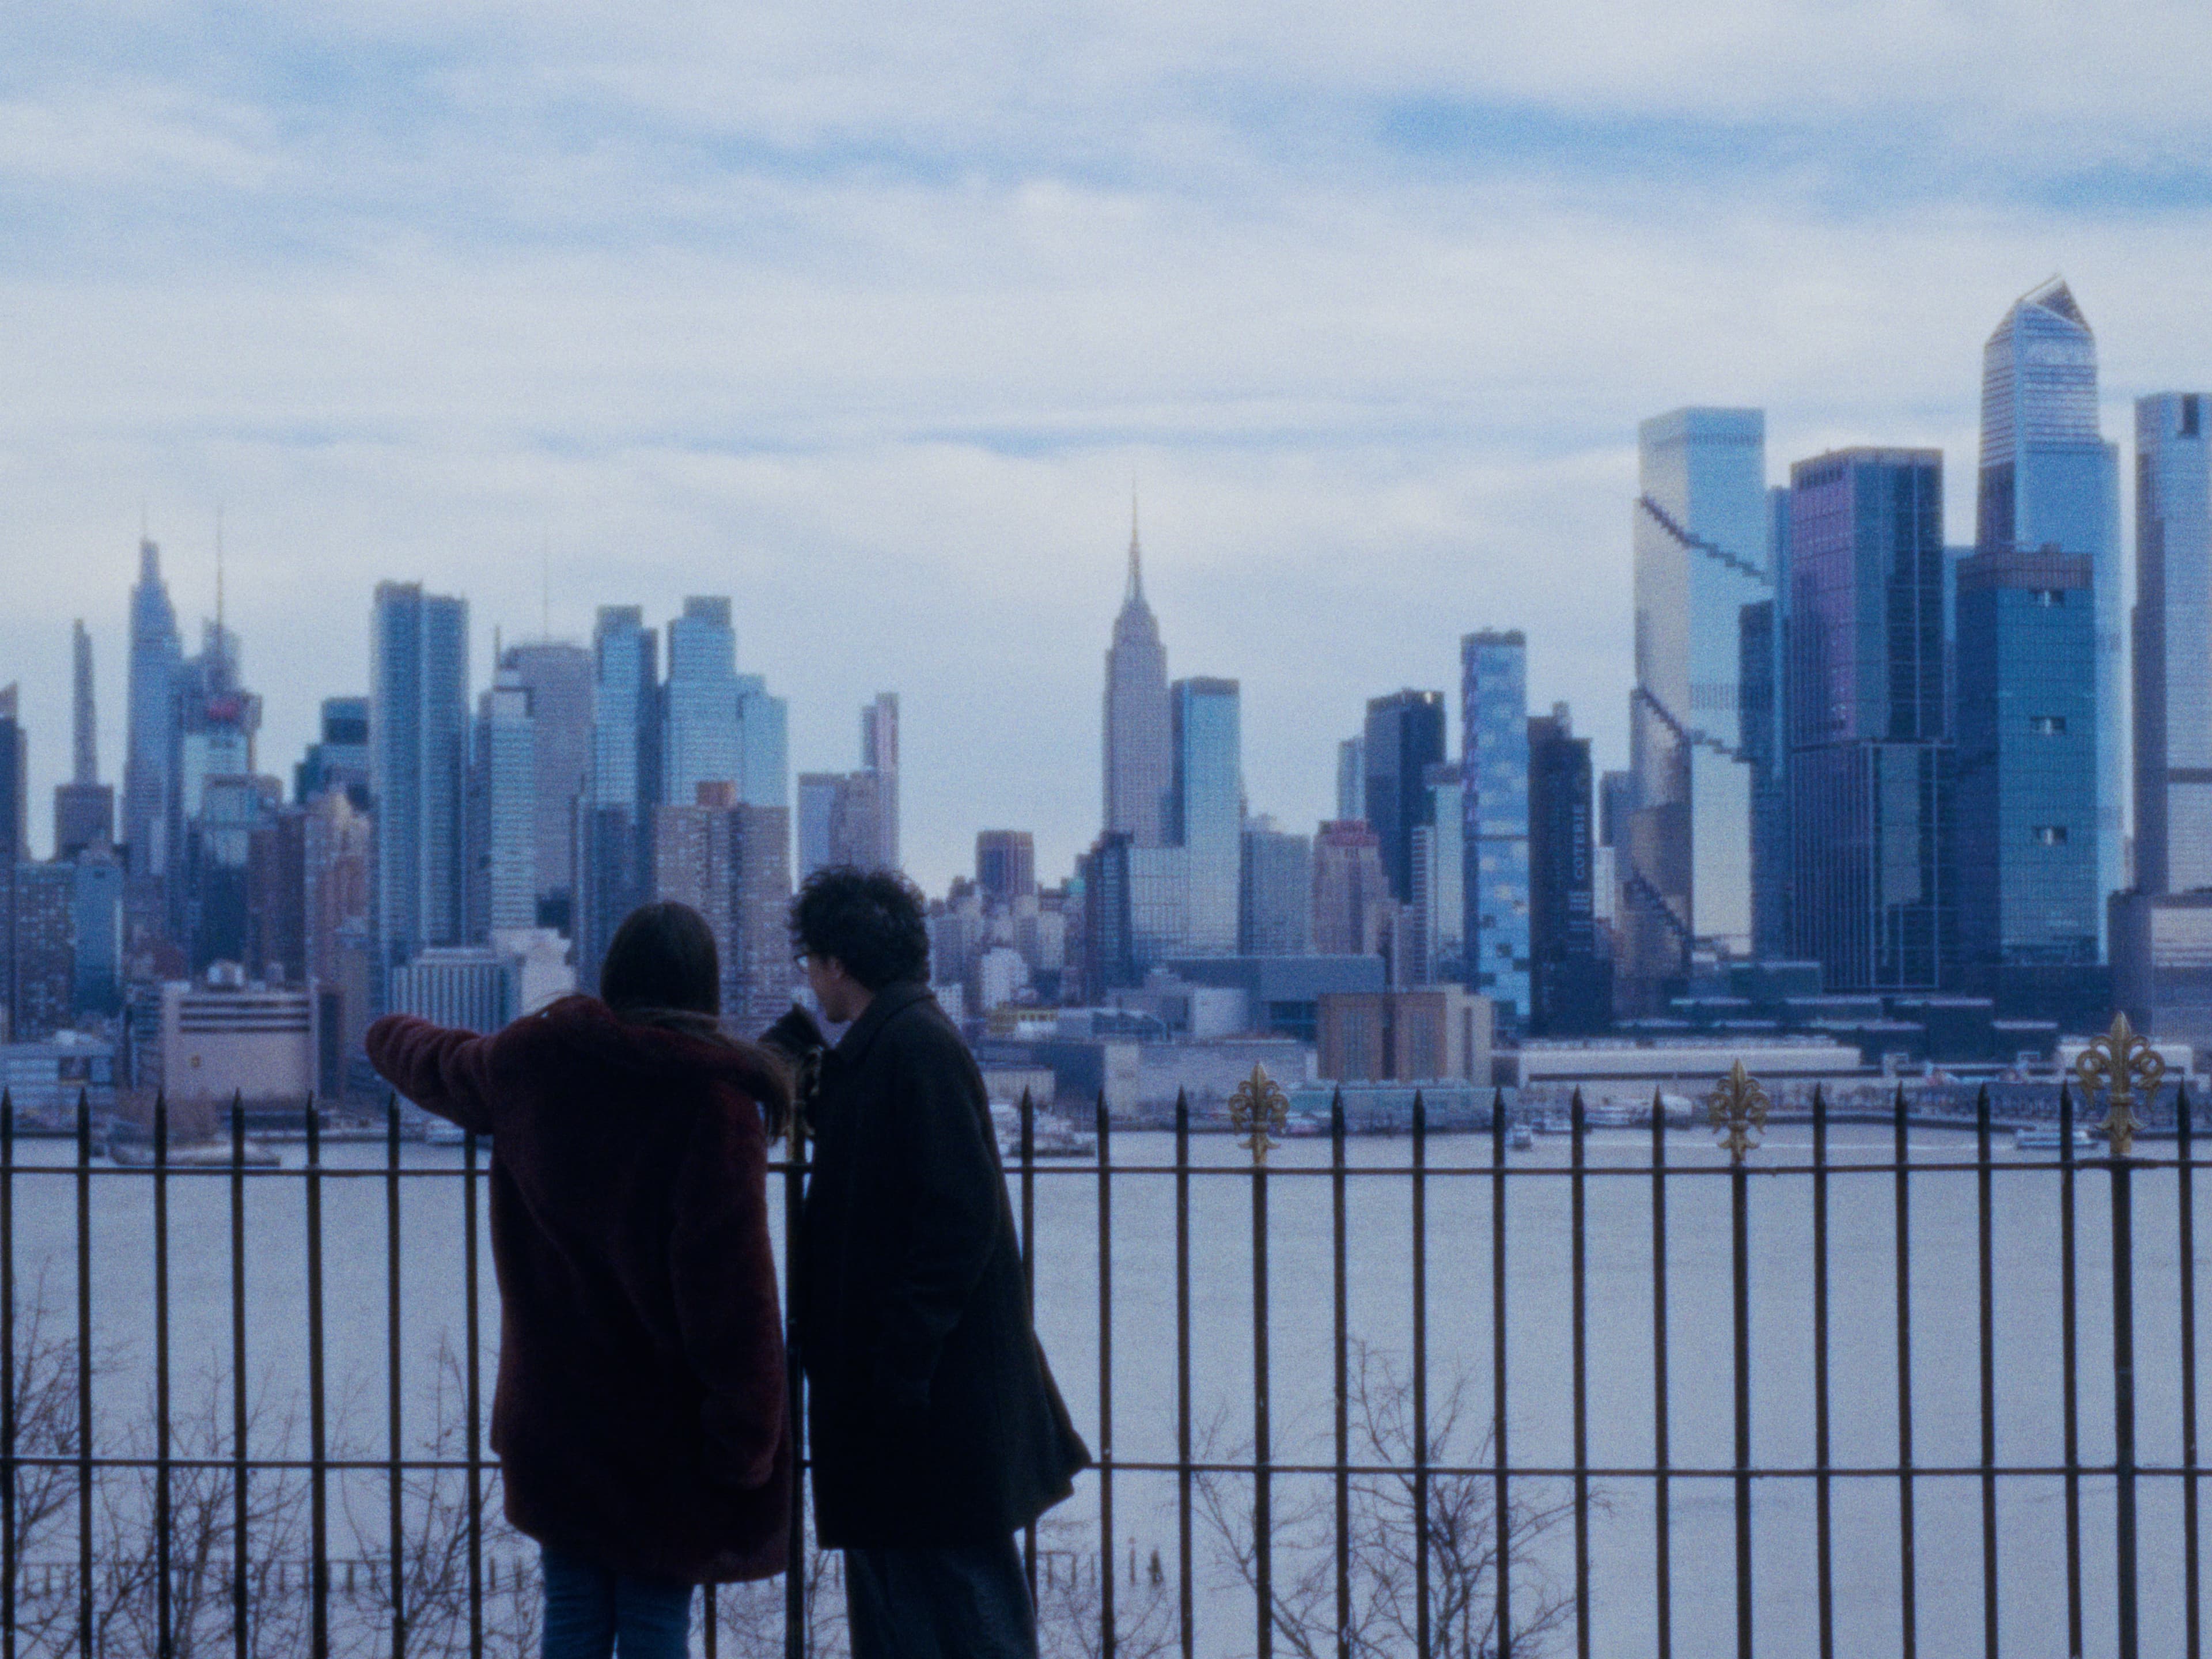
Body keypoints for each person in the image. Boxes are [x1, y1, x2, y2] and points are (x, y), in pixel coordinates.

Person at [365, 902, 793, 1659]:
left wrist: (382, 1030)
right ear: (707, 991)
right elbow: (734, 1299)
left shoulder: (534, 1063)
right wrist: (747, 1444)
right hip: (668, 1437)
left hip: (556, 1422)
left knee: (570, 1615)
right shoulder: (715, 1104)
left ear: (614, 978)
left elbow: (433, 1062)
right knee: (657, 1621)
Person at [766, 867, 1089, 1659]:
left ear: (839, 962)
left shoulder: (917, 1049)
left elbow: (959, 1218)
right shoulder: (895, 1044)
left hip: (925, 1408)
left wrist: (899, 1364)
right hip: (906, 1407)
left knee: (963, 1610)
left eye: (810, 960)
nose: (808, 977)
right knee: (913, 1606)